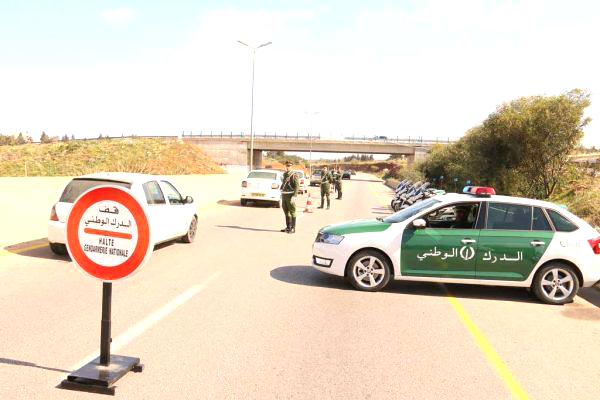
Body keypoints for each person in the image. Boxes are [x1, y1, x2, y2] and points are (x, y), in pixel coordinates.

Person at [280, 161, 300, 233]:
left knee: (292, 211)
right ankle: (288, 227)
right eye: (287, 166)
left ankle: (293, 228)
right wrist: (281, 189)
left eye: (289, 166)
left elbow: (297, 186)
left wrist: (294, 195)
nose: (287, 167)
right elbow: (283, 183)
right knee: (286, 211)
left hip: (290, 194)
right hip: (284, 194)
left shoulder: (294, 175)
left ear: (291, 166)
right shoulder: (285, 174)